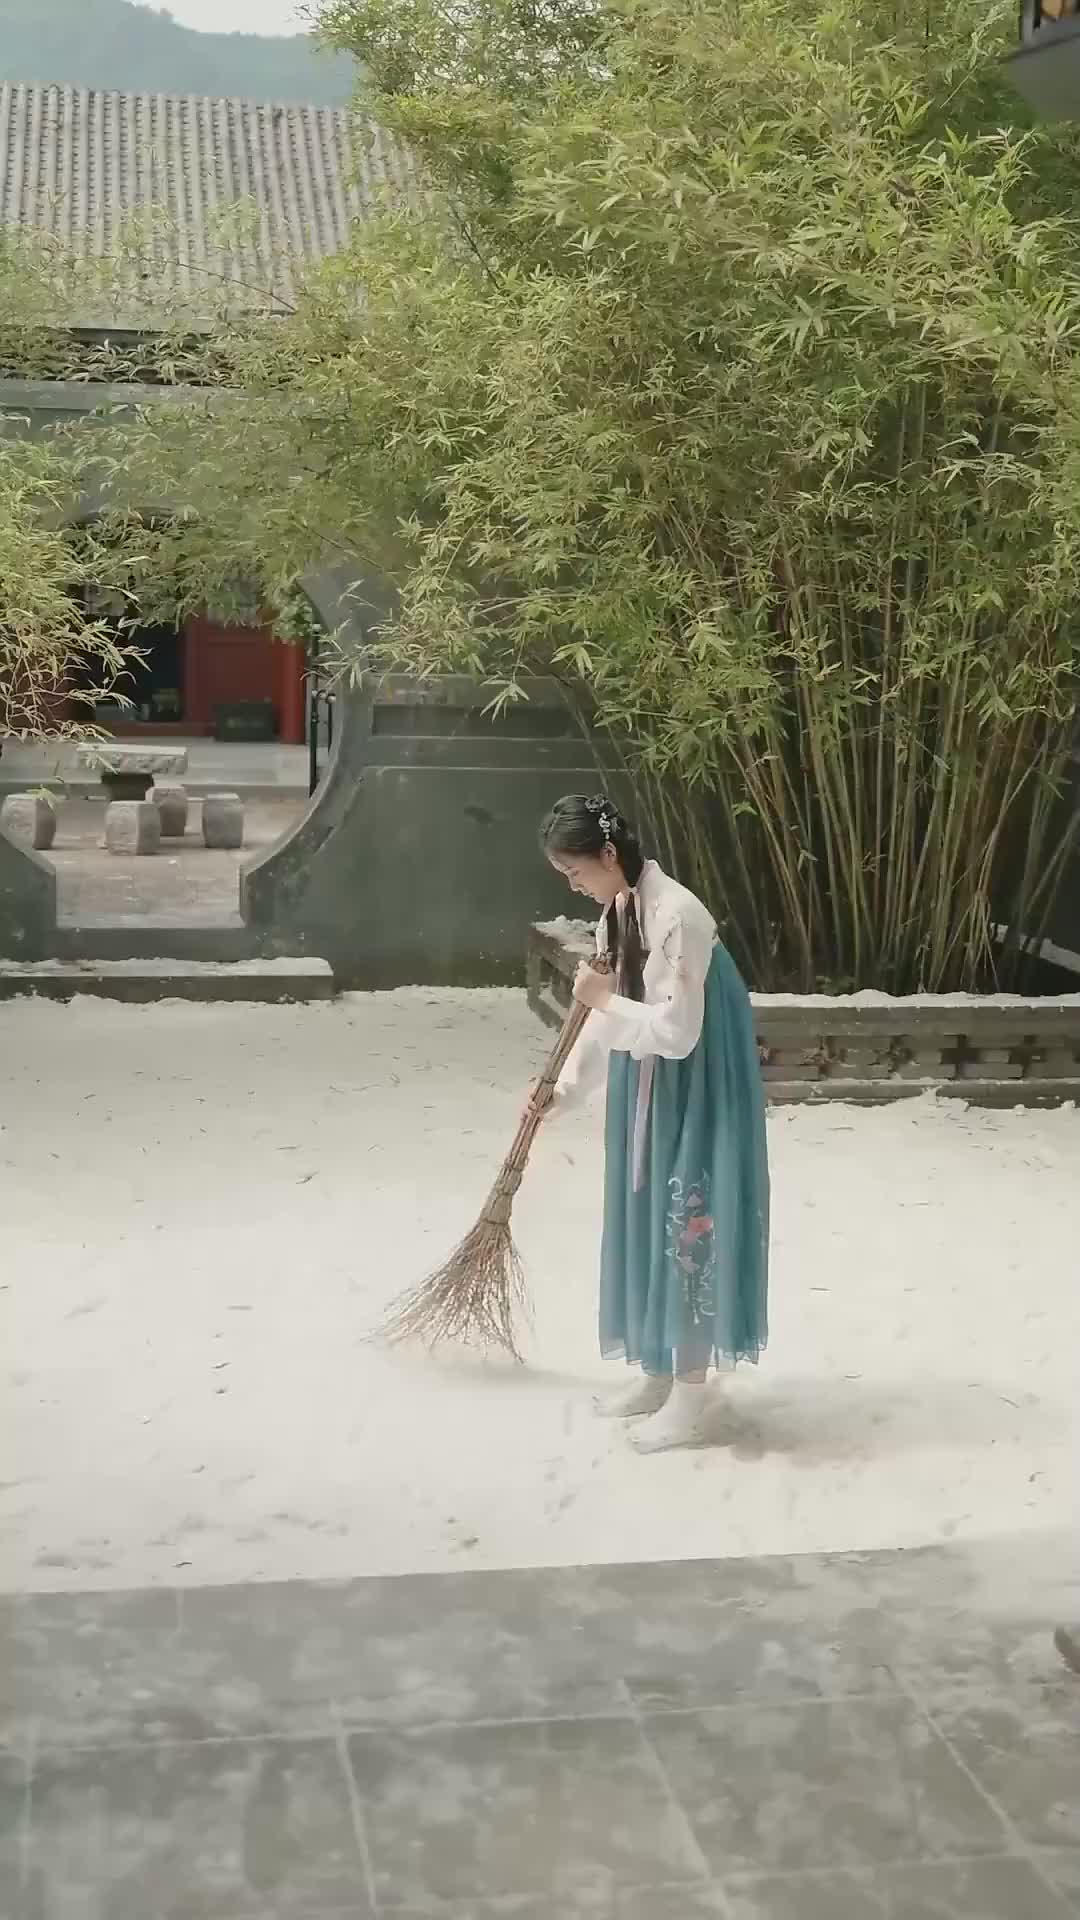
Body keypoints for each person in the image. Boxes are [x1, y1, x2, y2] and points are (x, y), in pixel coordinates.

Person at [536, 793, 769, 1452]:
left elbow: (677, 1031)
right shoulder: (620, 911)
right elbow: (605, 1016)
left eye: (575, 871)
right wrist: (565, 1089)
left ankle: (691, 1395)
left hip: (697, 1080)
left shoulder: (679, 916)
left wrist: (605, 1000)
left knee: (688, 1216)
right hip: (651, 1077)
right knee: (643, 1206)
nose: (574, 885)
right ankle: (657, 1369)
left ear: (609, 853)